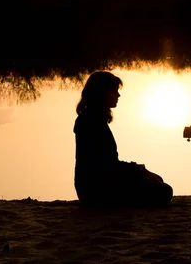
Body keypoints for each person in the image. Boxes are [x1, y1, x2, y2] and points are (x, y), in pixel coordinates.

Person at [73, 70, 173, 208]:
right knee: (164, 190)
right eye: (115, 91)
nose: (118, 95)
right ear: (103, 93)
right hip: (96, 189)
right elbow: (105, 165)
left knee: (157, 182)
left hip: (96, 185)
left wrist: (137, 169)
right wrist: (138, 170)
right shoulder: (90, 121)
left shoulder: (92, 118)